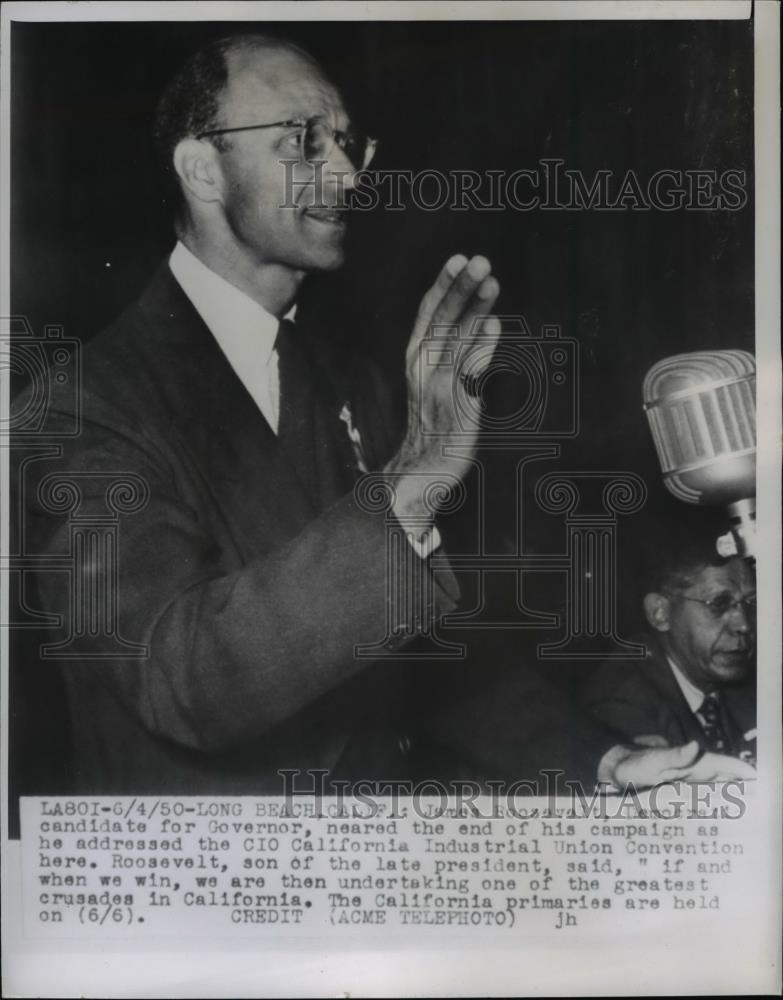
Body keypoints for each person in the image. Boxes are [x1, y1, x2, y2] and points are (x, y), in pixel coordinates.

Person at [17, 33, 749, 796]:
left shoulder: (350, 381)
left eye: (345, 142)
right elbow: (179, 678)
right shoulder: (80, 407)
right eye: (302, 139)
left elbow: (427, 658)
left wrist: (598, 762)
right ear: (201, 167)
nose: (342, 171)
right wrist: (410, 481)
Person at [583, 515, 757, 770]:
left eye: (750, 602)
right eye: (719, 604)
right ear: (660, 613)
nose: (744, 625)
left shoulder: (749, 674)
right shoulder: (620, 703)